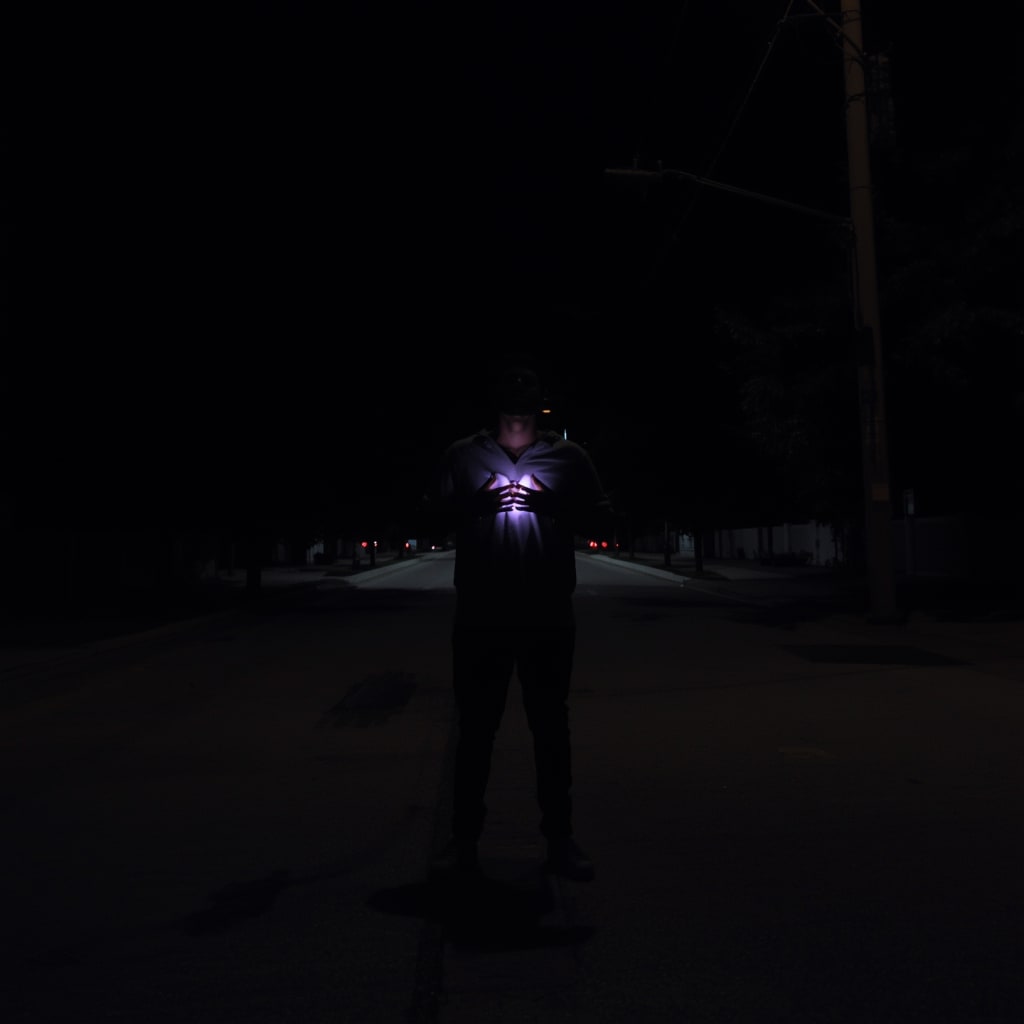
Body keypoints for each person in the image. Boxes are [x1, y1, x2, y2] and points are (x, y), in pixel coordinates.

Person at [425, 357, 614, 882]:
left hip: (547, 612)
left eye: (526, 380)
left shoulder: (569, 456)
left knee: (550, 729)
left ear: (540, 394)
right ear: (494, 396)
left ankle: (560, 840)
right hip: (481, 613)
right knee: (476, 731)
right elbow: (429, 518)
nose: (517, 387)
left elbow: (604, 520)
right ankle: (463, 842)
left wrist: (554, 505)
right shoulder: (463, 455)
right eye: (508, 380)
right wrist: (475, 507)